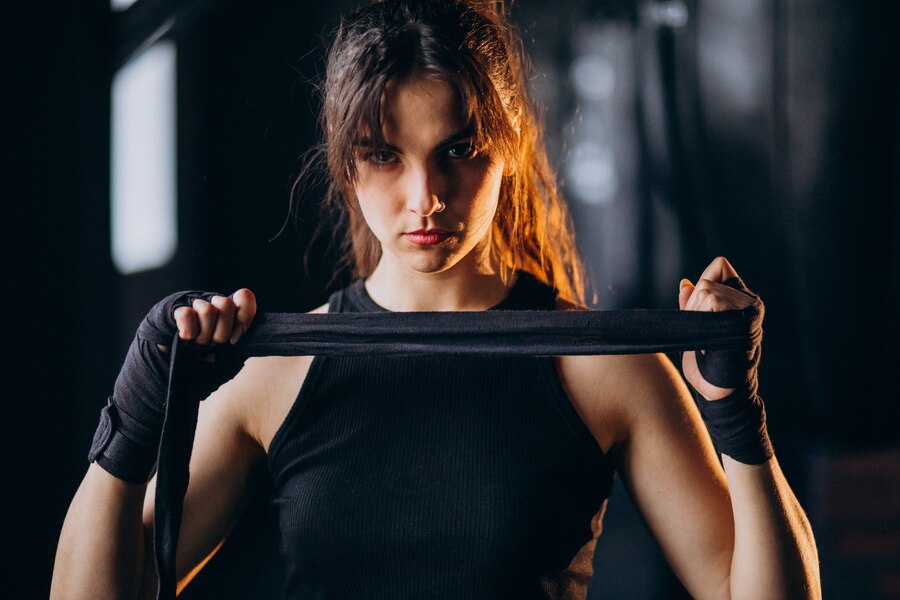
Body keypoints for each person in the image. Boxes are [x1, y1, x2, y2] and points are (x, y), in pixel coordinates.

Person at [51, 1, 821, 598]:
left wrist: (737, 415)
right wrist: (131, 423)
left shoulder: (600, 365)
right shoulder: (276, 372)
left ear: (508, 150)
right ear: (346, 167)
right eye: (385, 156)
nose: (426, 197)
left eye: (458, 150)